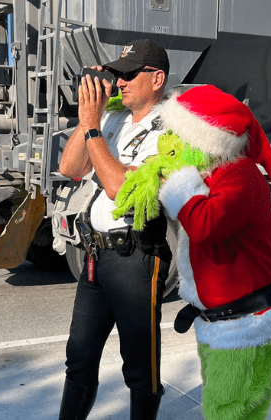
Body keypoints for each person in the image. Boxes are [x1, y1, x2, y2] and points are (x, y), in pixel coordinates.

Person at [116, 84, 271, 420]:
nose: (171, 143)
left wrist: (179, 180)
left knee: (226, 412)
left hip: (245, 325)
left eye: (178, 135)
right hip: (234, 320)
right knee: (238, 411)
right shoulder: (218, 174)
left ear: (205, 140)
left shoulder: (240, 175)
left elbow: (204, 224)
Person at [57, 39, 171, 420]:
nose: (119, 82)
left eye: (129, 74)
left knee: (140, 366)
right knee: (79, 356)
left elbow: (120, 189)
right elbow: (70, 168)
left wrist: (92, 127)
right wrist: (91, 118)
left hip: (136, 256)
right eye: (117, 73)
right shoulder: (112, 117)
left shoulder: (170, 129)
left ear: (157, 79)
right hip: (95, 254)